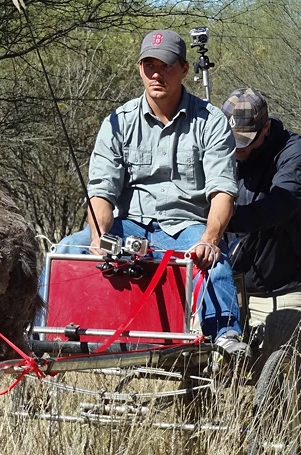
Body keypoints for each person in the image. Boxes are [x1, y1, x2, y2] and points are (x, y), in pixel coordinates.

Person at [43, 30, 249, 356]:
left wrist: (209, 239)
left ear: (183, 69)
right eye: (148, 65)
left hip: (186, 227)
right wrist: (99, 236)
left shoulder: (210, 122)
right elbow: (101, 192)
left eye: (165, 65)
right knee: (70, 247)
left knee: (213, 262)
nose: (156, 74)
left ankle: (224, 338)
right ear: (139, 69)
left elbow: (223, 190)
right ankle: (43, 335)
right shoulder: (117, 122)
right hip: (130, 226)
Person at [221, 88, 301, 368]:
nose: (237, 148)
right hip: (225, 285)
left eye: (245, 141)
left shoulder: (295, 155)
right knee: (197, 369)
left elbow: (278, 207)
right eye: (231, 141)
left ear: (265, 128)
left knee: (281, 380)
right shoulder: (219, 149)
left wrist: (222, 218)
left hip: (280, 286)